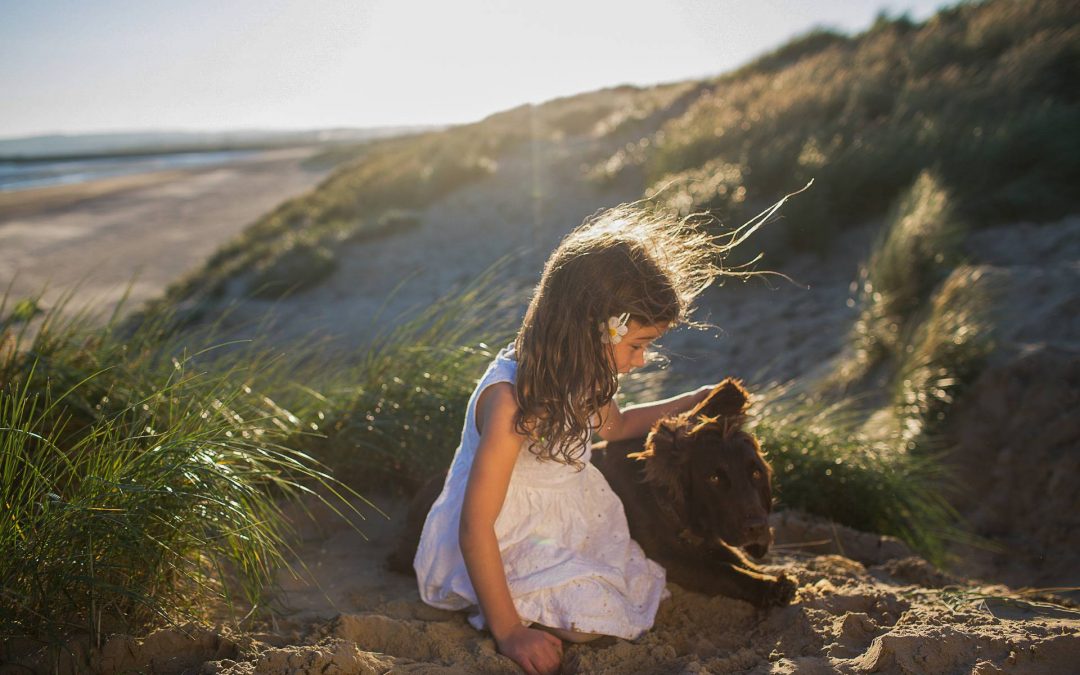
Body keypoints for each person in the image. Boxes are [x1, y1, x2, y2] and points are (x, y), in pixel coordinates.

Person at [413, 201, 744, 675]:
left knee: (626, 592)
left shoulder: (582, 376)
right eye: (637, 346)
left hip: (563, 521)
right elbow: (476, 525)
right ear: (593, 329)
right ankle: (501, 608)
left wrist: (690, 401)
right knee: (591, 621)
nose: (641, 361)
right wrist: (510, 633)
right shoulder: (509, 401)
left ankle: (550, 593)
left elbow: (616, 427)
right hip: (500, 536)